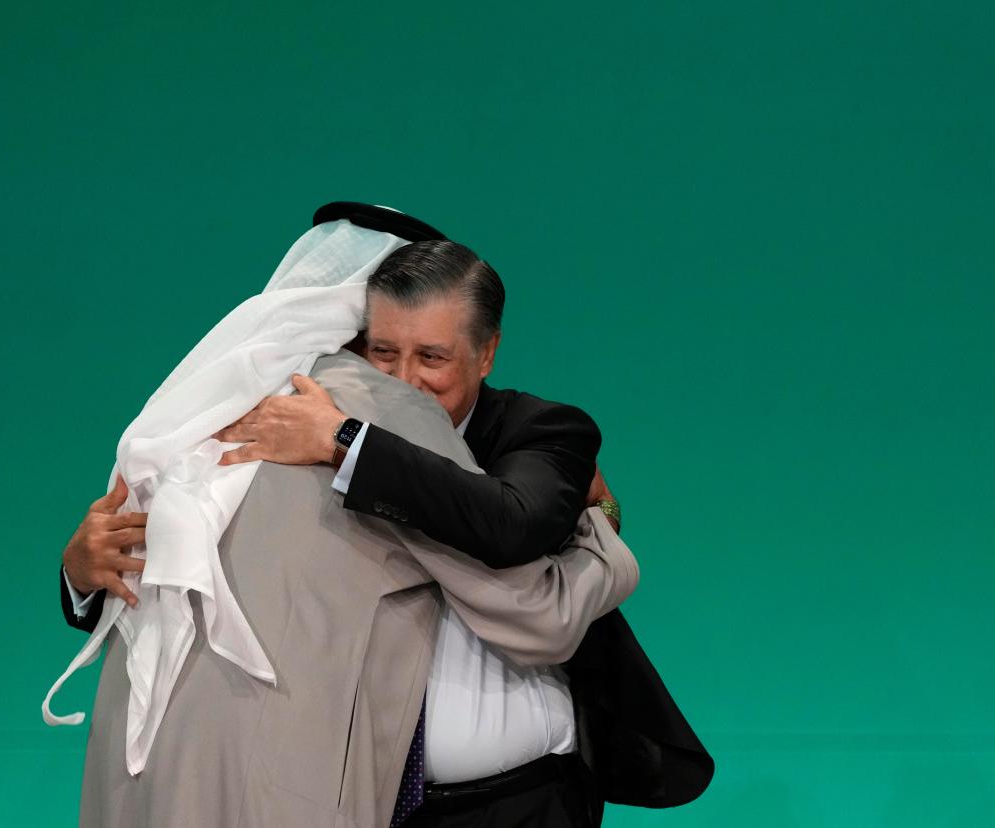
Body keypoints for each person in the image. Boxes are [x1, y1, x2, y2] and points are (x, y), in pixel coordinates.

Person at [61, 204, 712, 825]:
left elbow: (517, 537)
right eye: (383, 352)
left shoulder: (536, 429)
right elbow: (192, 578)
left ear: (485, 354)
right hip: (382, 801)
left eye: (432, 357)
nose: (405, 381)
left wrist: (349, 443)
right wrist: (82, 576)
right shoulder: (290, 425)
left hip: (524, 795)